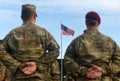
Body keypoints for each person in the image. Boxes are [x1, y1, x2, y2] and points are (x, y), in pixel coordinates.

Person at [0, 4, 60, 81]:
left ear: (21, 17)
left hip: (17, 77)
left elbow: (1, 51)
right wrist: (37, 65)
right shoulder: (44, 33)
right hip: (40, 77)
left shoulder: (13, 33)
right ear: (35, 16)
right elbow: (55, 51)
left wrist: (17, 65)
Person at [64, 11, 120, 81]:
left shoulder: (77, 41)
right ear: (99, 23)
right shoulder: (110, 42)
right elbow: (118, 61)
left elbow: (67, 60)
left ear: (86, 23)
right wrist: (103, 71)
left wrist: (84, 71)